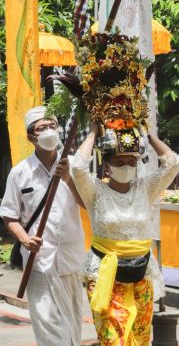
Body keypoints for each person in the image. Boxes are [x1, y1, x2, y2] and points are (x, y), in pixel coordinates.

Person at [69, 124, 179, 345]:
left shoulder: (145, 189)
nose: (127, 166)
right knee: (112, 338)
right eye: (120, 162)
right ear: (107, 166)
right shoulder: (94, 191)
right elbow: (78, 167)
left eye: (131, 162)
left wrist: (147, 135)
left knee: (139, 337)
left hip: (141, 273)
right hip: (105, 274)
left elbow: (172, 163)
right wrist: (93, 131)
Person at [0, 106, 86, 346]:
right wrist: (25, 239)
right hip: (39, 263)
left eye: (52, 126)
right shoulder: (19, 173)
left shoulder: (75, 167)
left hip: (71, 260)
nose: (48, 131)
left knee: (73, 327)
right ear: (31, 137)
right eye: (41, 128)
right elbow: (9, 216)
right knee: (50, 331)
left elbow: (89, 204)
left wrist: (69, 179)